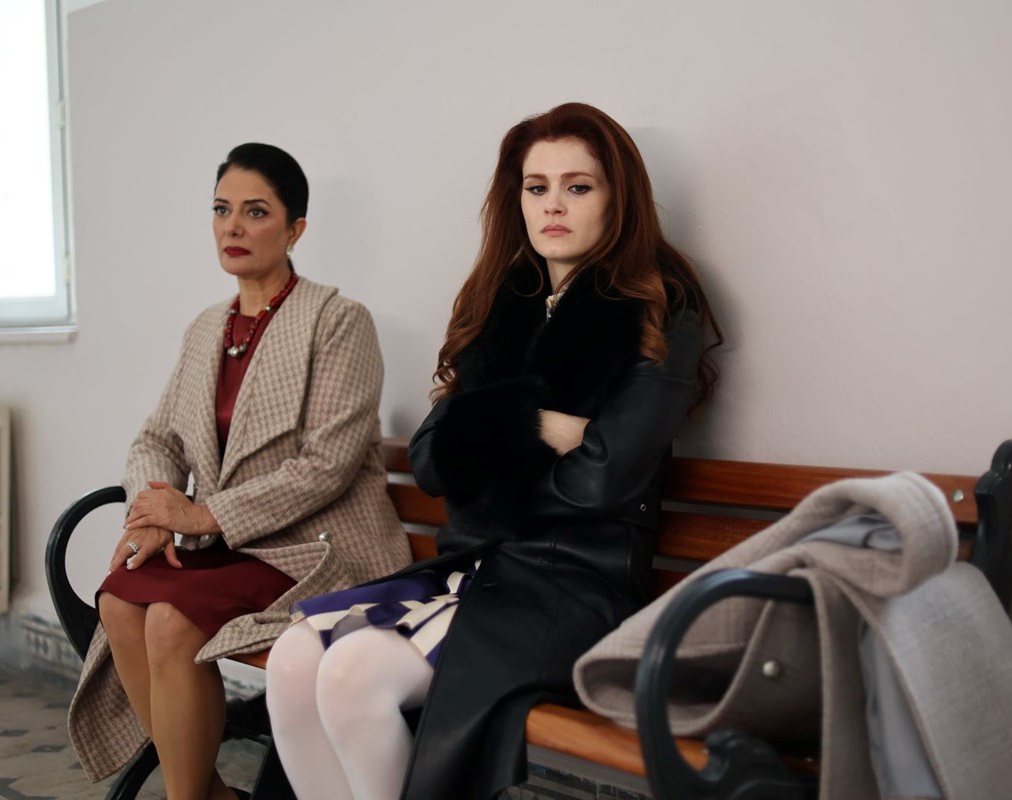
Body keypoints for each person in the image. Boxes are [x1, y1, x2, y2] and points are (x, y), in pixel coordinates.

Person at [264, 104, 722, 800]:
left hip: (570, 586)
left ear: (617, 198)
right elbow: (431, 460)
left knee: (354, 674)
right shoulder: (504, 302)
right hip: (474, 569)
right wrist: (542, 425)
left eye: (578, 186)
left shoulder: (661, 307)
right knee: (294, 658)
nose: (553, 205)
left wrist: (489, 449)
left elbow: (601, 479)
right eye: (537, 187)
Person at [65, 143, 412, 800]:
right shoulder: (207, 327)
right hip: (234, 546)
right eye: (222, 209)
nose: (233, 226)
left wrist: (202, 515)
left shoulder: (338, 321)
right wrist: (151, 512)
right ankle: (209, 794)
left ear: (295, 228)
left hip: (317, 549)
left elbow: (328, 467)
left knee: (171, 620)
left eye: (256, 212)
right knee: (119, 600)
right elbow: (157, 438)